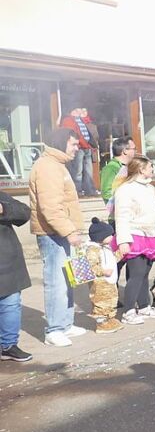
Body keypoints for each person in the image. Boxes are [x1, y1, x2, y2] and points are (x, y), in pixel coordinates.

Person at [29, 127, 87, 347]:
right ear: (62, 142)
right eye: (73, 144)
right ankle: (53, 329)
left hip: (61, 231)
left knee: (67, 279)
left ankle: (65, 324)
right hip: (52, 234)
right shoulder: (47, 167)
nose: (76, 148)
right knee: (55, 281)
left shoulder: (58, 165)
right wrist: (69, 231)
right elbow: (50, 207)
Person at [113, 157, 155, 325]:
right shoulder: (126, 189)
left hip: (150, 234)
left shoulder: (149, 188)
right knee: (136, 274)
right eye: (150, 167)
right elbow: (121, 215)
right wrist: (123, 240)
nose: (153, 169)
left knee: (145, 273)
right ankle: (128, 311)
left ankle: (144, 306)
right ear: (141, 169)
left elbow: (152, 209)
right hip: (134, 234)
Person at [0, 190, 33, 361]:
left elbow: (24, 212)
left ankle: (9, 345)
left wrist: (3, 209)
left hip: (7, 261)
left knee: (10, 304)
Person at [83, 219, 124, 333]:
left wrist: (121, 253)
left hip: (110, 282)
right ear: (100, 236)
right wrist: (103, 271)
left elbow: (112, 260)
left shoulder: (106, 248)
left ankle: (110, 319)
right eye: (109, 235)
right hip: (100, 283)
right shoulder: (93, 250)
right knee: (102, 302)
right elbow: (91, 266)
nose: (112, 237)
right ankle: (102, 323)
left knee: (111, 300)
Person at [58, 107, 100, 196]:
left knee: (88, 171)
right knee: (78, 171)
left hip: (87, 147)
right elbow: (73, 135)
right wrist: (83, 143)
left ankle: (90, 190)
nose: (79, 112)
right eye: (77, 110)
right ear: (72, 111)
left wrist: (90, 145)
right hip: (79, 148)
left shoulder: (81, 120)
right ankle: (77, 191)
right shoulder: (68, 120)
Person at [100, 136, 136, 202]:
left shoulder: (128, 166)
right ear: (125, 151)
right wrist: (121, 204)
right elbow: (106, 194)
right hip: (120, 209)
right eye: (134, 149)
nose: (136, 151)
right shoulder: (111, 168)